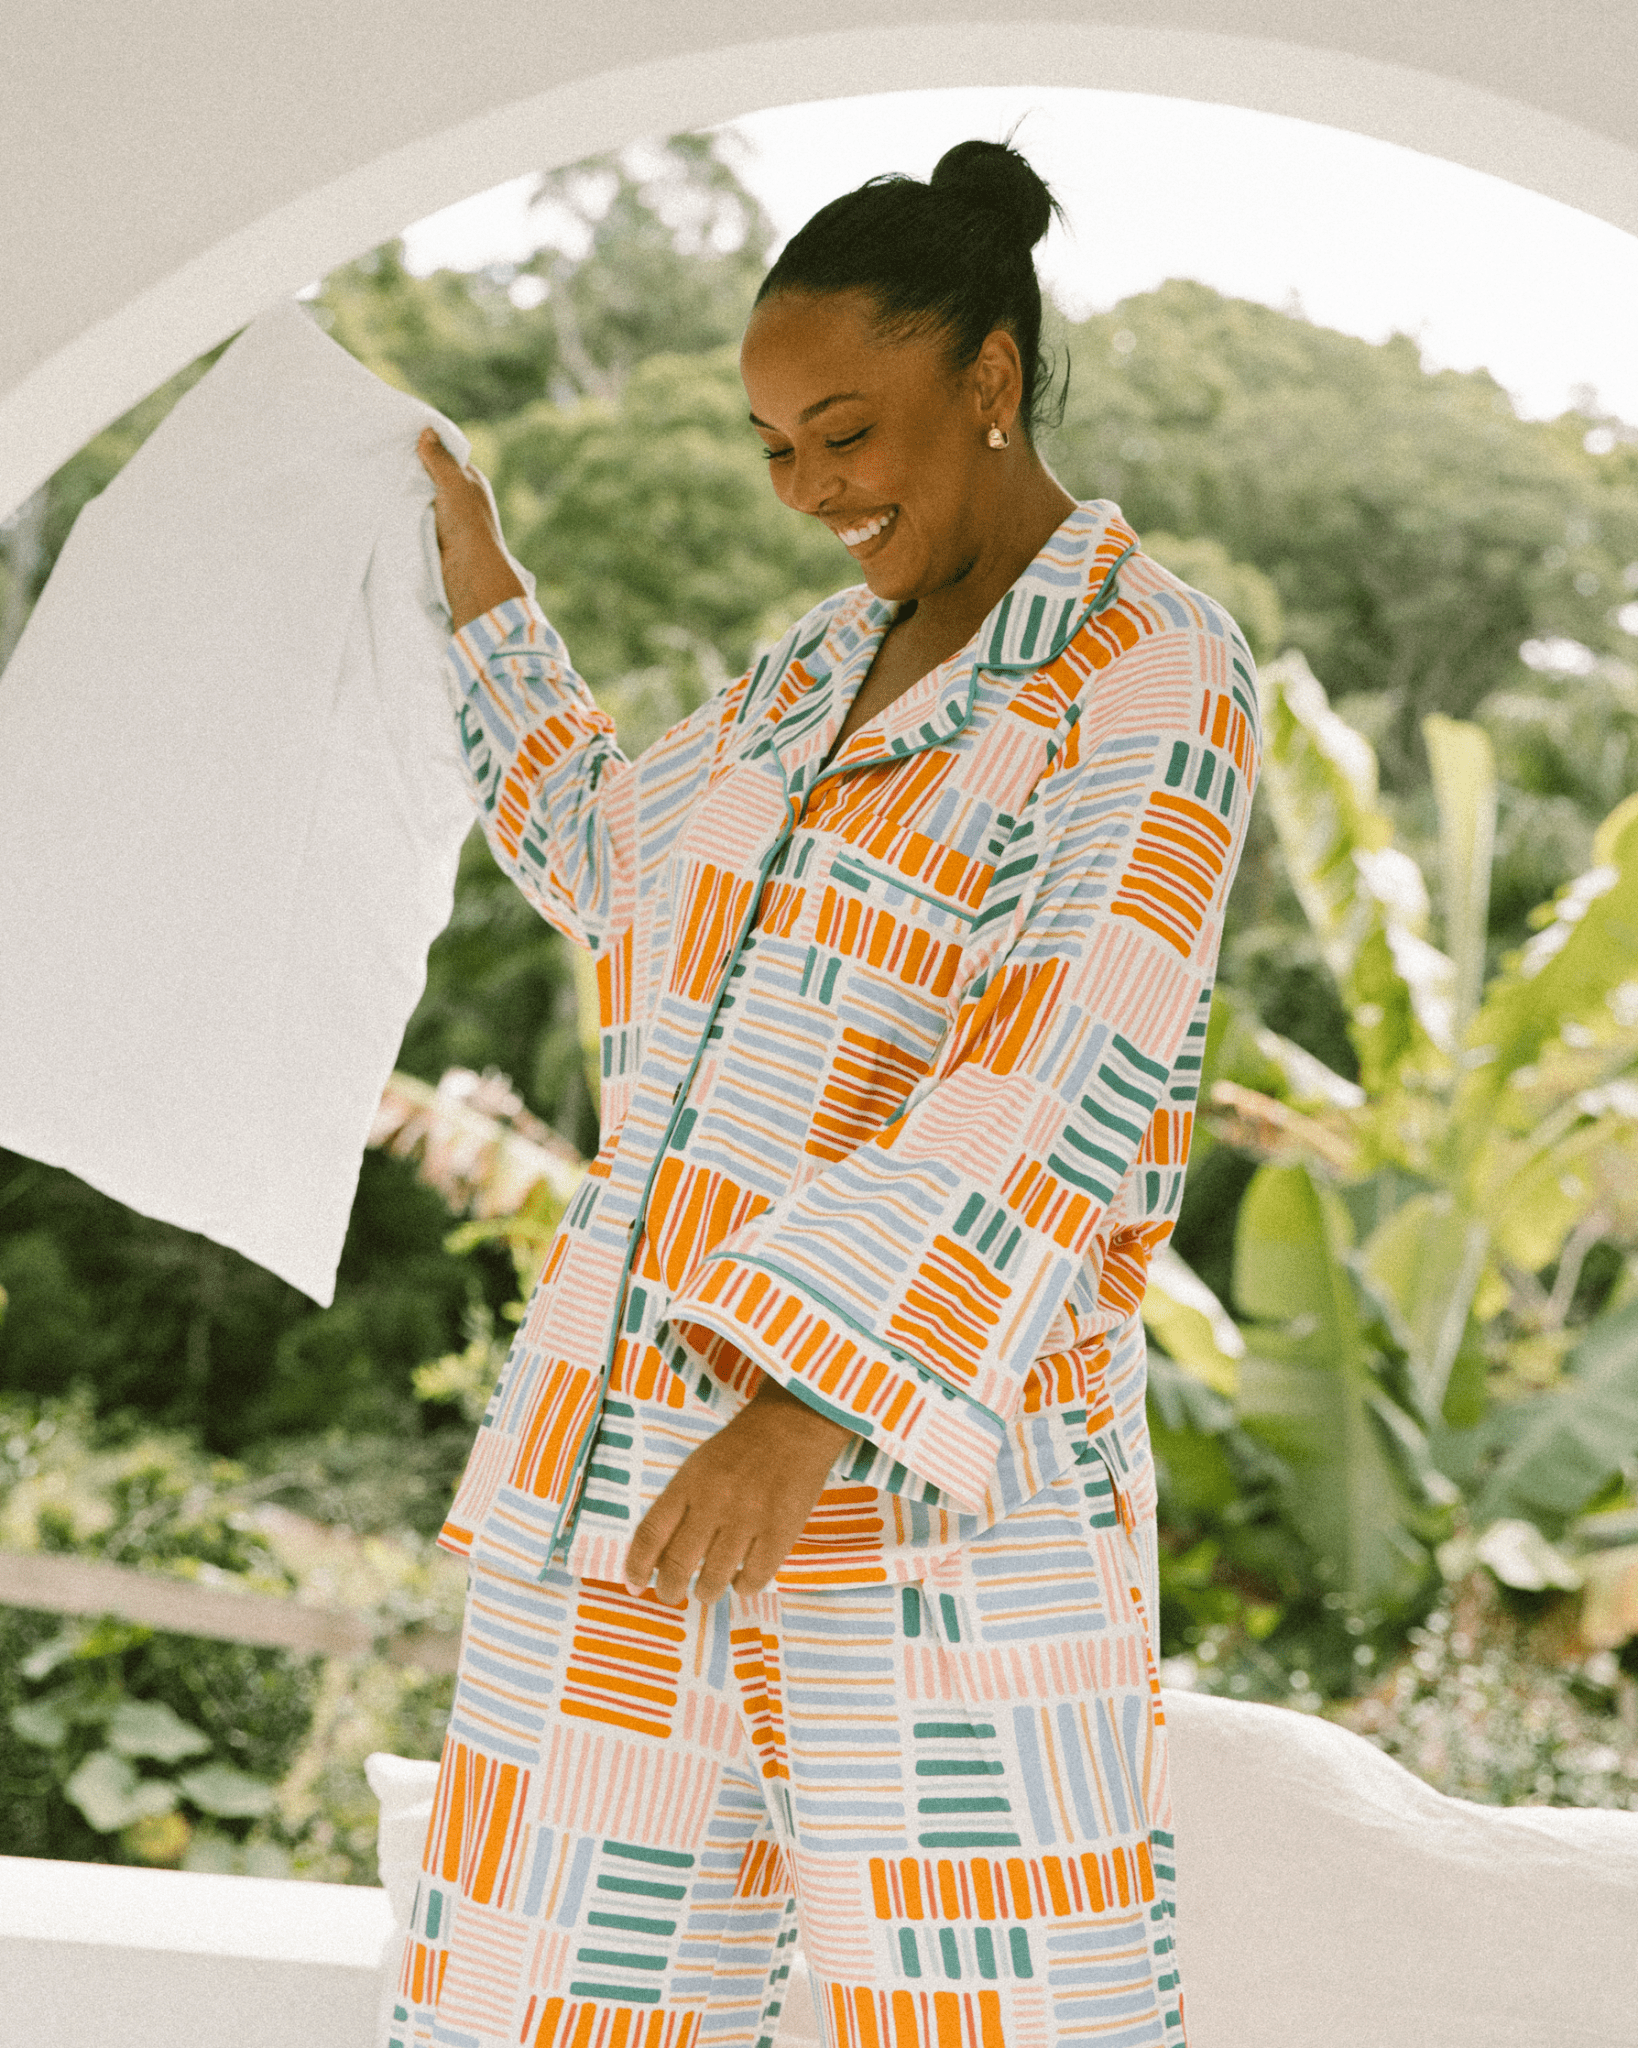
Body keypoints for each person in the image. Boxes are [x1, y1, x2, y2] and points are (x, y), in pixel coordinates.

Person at [395, 137, 1259, 2048]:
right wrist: (479, 576)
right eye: (776, 448)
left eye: (845, 433)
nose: (809, 490)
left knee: (992, 2015)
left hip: (939, 1501)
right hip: (630, 1466)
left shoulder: (1149, 670)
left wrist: (805, 1403)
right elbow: (610, 857)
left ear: (990, 376)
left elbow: (1063, 1057)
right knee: (544, 2013)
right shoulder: (807, 671)